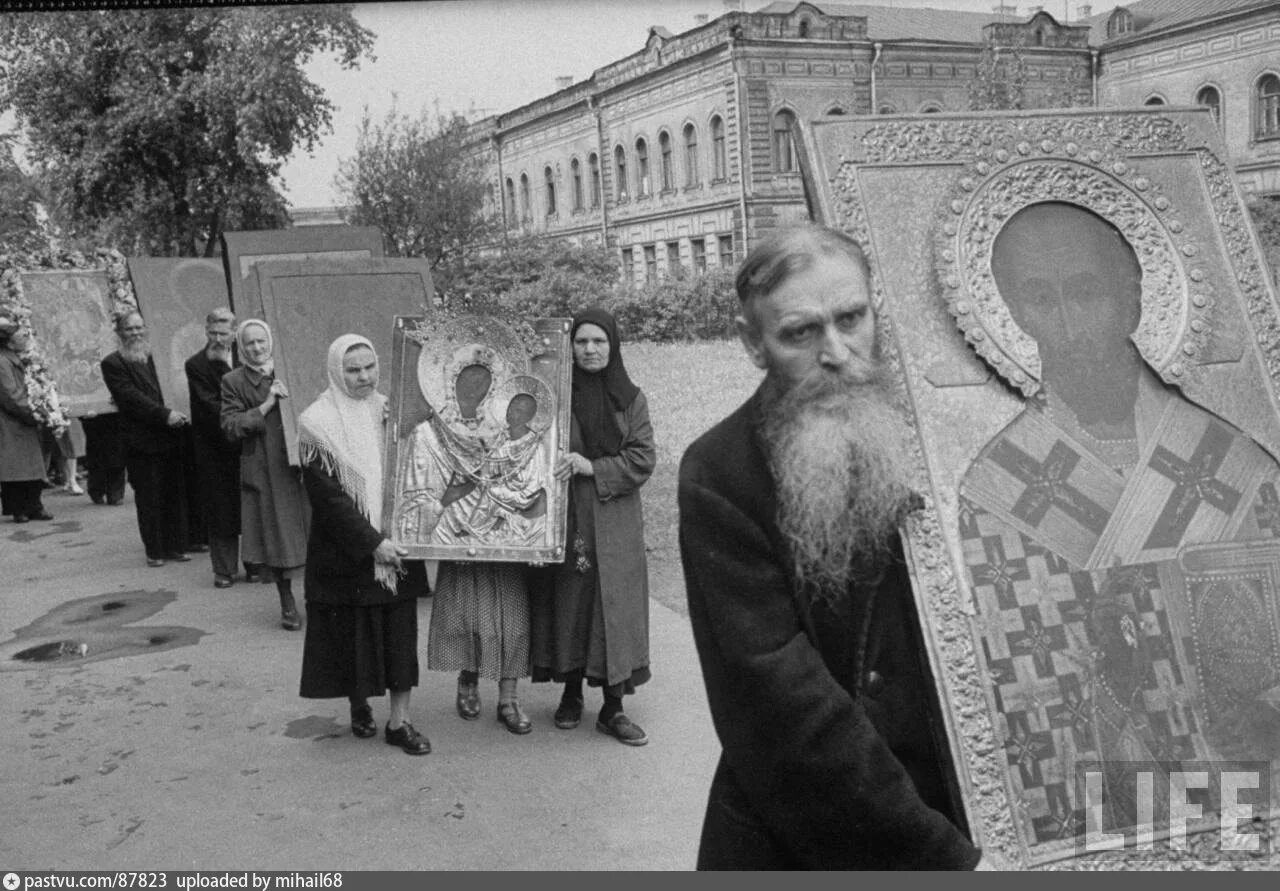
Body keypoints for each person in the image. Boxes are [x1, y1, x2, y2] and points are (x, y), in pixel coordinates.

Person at [677, 225, 985, 869]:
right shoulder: (720, 474)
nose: (839, 351)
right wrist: (945, 858)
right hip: (822, 826)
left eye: (852, 318)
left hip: (974, 800)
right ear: (753, 344)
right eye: (801, 332)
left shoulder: (947, 430)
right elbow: (783, 708)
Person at [298, 334, 430, 756]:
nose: (364, 377)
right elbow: (329, 498)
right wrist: (373, 544)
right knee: (355, 634)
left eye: (369, 367)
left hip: (398, 545)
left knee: (398, 635)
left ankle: (400, 721)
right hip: (348, 551)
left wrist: (405, 429)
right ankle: (359, 702)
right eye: (353, 370)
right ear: (338, 371)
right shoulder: (315, 422)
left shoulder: (388, 411)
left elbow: (417, 468)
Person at [531, 307, 655, 747]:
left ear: (613, 345)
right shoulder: (554, 397)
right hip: (570, 517)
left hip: (615, 517)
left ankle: (613, 707)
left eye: (598, 341)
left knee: (613, 610)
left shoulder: (630, 398)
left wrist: (592, 465)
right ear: (571, 347)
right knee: (571, 601)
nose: (590, 349)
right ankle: (570, 693)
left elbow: (642, 458)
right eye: (581, 342)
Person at [220, 319, 309, 630]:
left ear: (270, 341)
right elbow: (230, 426)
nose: (257, 348)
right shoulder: (234, 381)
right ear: (241, 348)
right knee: (277, 537)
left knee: (314, 532)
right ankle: (287, 604)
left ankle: (318, 599)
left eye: (261, 341)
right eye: (249, 344)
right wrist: (266, 405)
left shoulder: (290, 366)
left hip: (302, 463)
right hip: (267, 469)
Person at [100, 311, 191, 567]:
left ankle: (177, 546)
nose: (136, 333)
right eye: (130, 329)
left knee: (174, 494)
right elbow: (130, 398)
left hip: (171, 436)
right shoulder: (113, 363)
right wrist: (165, 414)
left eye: (140, 328)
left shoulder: (157, 357)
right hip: (141, 441)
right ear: (120, 333)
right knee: (150, 496)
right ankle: (155, 550)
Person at [186, 307, 243, 589]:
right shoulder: (196, 364)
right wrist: (247, 418)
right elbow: (210, 406)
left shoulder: (248, 356)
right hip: (215, 448)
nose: (218, 339)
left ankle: (257, 564)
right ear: (206, 331)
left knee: (251, 505)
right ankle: (224, 570)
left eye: (224, 333)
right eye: (213, 333)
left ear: (235, 332)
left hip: (248, 445)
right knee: (221, 510)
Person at [0, 315, 53, 523]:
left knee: (32, 466)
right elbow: (9, 395)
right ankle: (19, 508)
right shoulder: (3, 362)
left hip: (24, 418)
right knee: (16, 469)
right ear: (9, 341)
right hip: (13, 421)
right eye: (21, 334)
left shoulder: (18, 357)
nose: (25, 336)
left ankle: (33, 506)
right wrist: (34, 413)